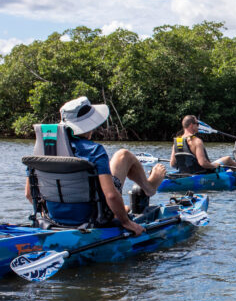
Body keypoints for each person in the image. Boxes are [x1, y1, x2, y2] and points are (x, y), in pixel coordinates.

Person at [25, 96, 165, 236]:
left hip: (53, 219)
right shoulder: (94, 150)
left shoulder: (41, 152)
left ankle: (124, 207)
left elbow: (29, 194)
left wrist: (52, 215)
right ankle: (149, 188)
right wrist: (127, 223)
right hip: (93, 219)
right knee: (123, 155)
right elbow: (111, 195)